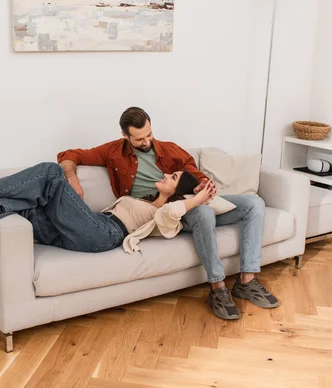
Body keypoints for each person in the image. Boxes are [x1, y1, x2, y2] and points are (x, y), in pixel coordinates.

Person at [57, 106, 279, 320]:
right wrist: (72, 177)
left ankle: (247, 281)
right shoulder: (113, 151)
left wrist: (201, 184)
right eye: (139, 139)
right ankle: (217, 287)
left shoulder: (169, 149)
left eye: (149, 135)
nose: (146, 142)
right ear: (125, 135)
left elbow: (193, 171)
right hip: (165, 211)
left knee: (254, 203)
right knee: (202, 213)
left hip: (186, 201)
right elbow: (70, 155)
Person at [0, 162, 217, 254]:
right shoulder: (147, 201)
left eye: (172, 177)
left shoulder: (167, 216)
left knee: (51, 172)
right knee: (22, 203)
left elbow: (175, 213)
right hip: (88, 225)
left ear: (179, 194)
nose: (165, 175)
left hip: (102, 234)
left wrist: (199, 199)